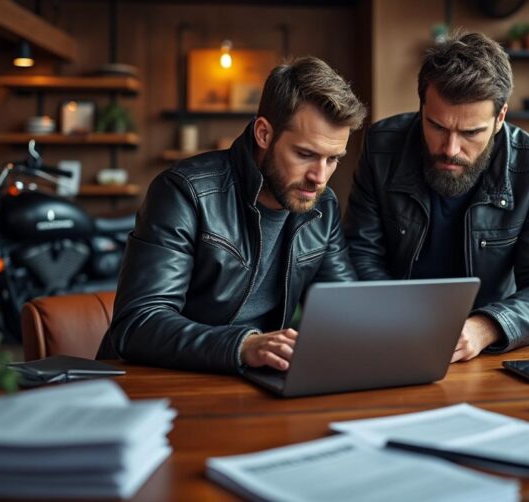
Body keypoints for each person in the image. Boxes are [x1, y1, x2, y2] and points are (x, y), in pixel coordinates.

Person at [101, 57, 366, 374]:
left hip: (250, 381)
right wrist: (244, 346)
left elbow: (345, 313)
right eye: (305, 154)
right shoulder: (185, 192)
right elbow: (139, 323)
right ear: (264, 134)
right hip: (158, 383)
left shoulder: (323, 206)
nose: (319, 177)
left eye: (333, 159)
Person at [345, 32, 529, 362]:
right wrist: (397, 318)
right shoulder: (382, 146)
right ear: (421, 106)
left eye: (471, 133)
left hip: (489, 349)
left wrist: (485, 328)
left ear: (500, 118)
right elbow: (360, 253)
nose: (450, 149)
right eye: (437, 126)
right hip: (392, 337)